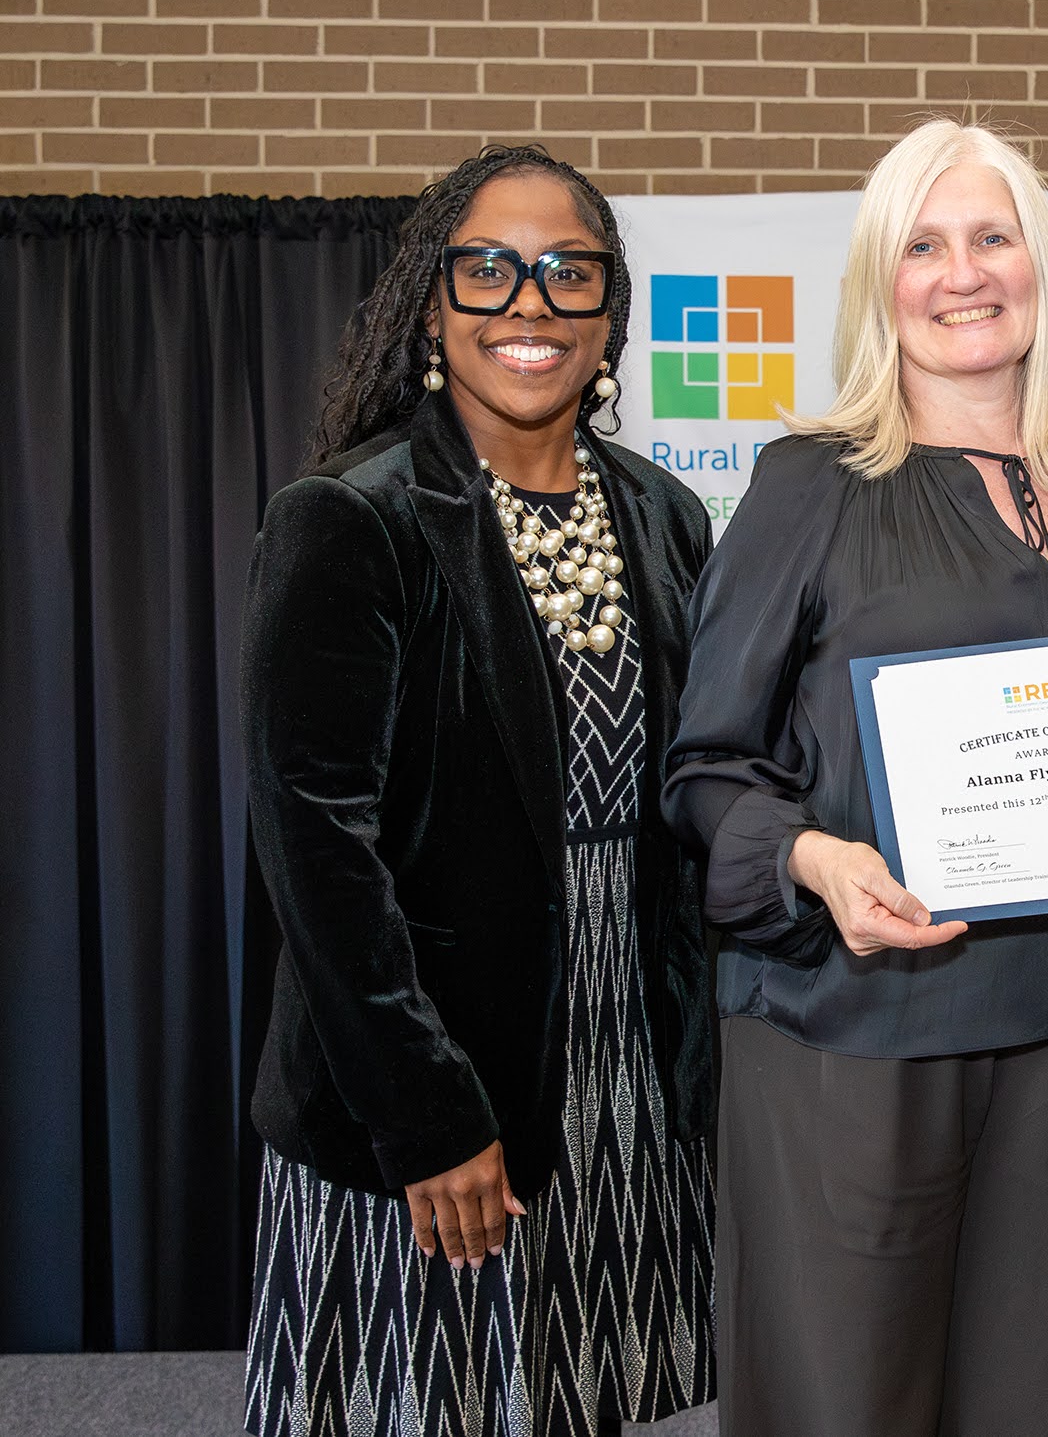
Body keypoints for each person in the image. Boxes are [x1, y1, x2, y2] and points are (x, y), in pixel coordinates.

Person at [661, 120, 1048, 1437]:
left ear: (1042, 267)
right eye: (924, 244)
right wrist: (810, 858)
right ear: (879, 283)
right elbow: (708, 765)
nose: (962, 273)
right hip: (862, 1029)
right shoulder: (809, 484)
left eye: (992, 236)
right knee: (851, 1402)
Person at [240, 145, 716, 1437]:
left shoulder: (665, 515)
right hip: (435, 1059)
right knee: (428, 1398)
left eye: (570, 272)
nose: (529, 302)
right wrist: (426, 1112)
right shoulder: (354, 516)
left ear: (611, 311)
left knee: (586, 1391)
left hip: (620, 1058)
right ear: (432, 305)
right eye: (488, 269)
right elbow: (314, 844)